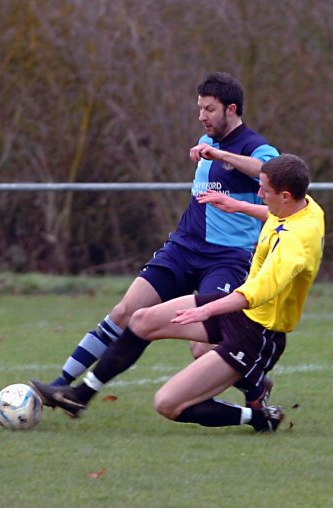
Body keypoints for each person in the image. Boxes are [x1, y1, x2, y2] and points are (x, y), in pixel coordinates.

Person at [31, 72, 279, 408]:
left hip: (227, 259)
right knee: (125, 311)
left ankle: (254, 387)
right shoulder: (207, 143)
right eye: (199, 108)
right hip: (184, 248)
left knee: (203, 345)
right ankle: (61, 386)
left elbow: (270, 172)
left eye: (208, 109)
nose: (201, 116)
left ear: (231, 109)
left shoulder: (254, 146)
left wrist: (220, 156)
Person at [31, 154, 325, 433]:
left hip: (258, 334)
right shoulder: (306, 207)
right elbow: (274, 216)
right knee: (143, 319)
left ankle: (258, 417)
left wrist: (206, 310)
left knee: (168, 404)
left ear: (285, 196)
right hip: (239, 311)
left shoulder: (293, 245)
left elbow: (256, 293)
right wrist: (237, 205)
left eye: (264, 190)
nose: (259, 194)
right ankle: (79, 396)